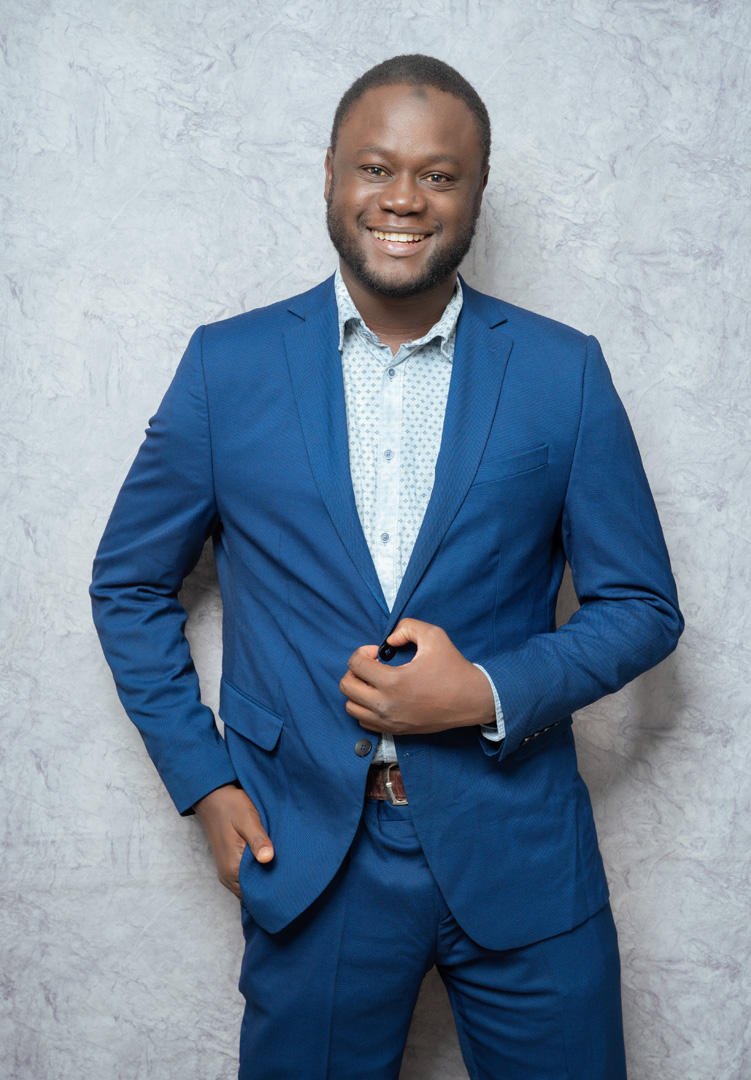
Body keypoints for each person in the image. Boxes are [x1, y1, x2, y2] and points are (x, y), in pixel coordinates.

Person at [91, 54, 683, 1080]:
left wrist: (484, 691)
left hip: (522, 854)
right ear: (330, 173)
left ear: (476, 191)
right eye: (375, 167)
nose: (403, 198)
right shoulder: (226, 369)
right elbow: (129, 586)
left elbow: (640, 606)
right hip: (309, 858)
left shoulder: (563, 371)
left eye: (438, 175)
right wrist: (205, 784)